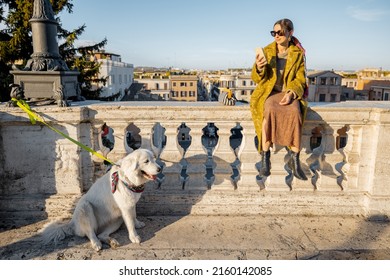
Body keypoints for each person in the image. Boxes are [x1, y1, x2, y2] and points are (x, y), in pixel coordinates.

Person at [250, 18, 308, 180]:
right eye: (273, 32)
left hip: (288, 92)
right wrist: (259, 67)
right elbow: (256, 78)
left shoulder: (298, 54)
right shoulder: (267, 51)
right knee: (268, 111)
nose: (276, 35)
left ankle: (295, 160)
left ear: (290, 33)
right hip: (269, 92)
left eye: (280, 32)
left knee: (296, 112)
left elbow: (300, 79)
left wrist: (291, 93)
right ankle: (265, 158)